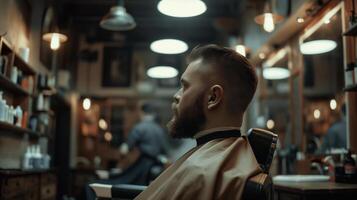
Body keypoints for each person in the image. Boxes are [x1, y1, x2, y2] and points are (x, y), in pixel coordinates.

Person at [135, 44, 261, 200]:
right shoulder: (235, 157)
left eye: (185, 86)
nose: (176, 95)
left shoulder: (200, 172)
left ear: (213, 97)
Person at [86, 103, 167, 199]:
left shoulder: (140, 127)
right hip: (150, 170)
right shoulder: (160, 130)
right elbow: (164, 153)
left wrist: (120, 164)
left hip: (141, 168)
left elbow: (124, 150)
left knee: (91, 185)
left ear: (142, 113)